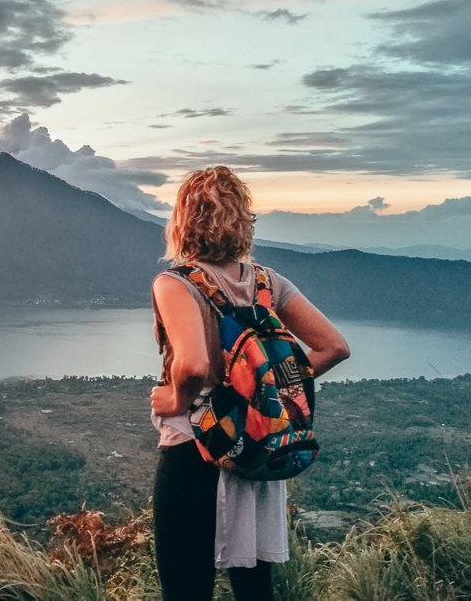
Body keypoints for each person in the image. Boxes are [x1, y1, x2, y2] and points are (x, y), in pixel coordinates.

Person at [149, 166, 350, 601]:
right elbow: (333, 347)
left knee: (185, 586)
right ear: (243, 218)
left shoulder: (177, 283)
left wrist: (173, 398)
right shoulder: (266, 282)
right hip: (258, 449)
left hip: (195, 448)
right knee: (255, 588)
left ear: (183, 220)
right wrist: (269, 392)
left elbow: (194, 366)